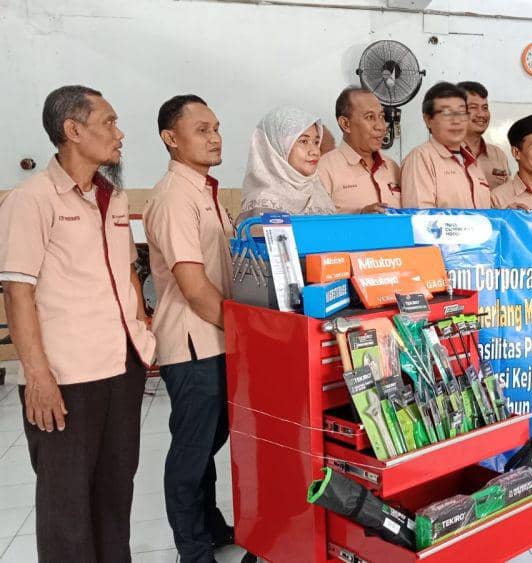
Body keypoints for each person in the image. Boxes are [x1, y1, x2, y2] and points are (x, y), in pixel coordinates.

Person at [0, 85, 156, 562]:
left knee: (114, 496)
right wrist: (38, 378)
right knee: (66, 506)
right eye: (108, 122)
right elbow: (18, 293)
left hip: (121, 368)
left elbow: (129, 273)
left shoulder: (113, 197)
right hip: (67, 379)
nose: (120, 133)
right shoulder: (31, 201)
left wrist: (143, 333)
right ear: (73, 131)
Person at [144, 95, 236, 562]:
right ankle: (193, 551)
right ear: (170, 138)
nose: (215, 136)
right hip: (193, 343)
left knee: (209, 442)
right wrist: (245, 335)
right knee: (191, 452)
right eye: (201, 129)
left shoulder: (203, 190)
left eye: (216, 127)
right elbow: (194, 286)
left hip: (216, 338)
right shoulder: (174, 195)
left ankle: (213, 528)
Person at [400, 82, 491, 209]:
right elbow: (421, 219)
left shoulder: (471, 162)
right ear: (428, 120)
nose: (456, 121)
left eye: (461, 112)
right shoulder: (421, 158)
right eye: (447, 113)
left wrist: (508, 212)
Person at [239, 106, 336, 220]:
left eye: (316, 142)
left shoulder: (318, 193)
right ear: (277, 147)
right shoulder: (265, 202)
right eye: (304, 141)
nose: (315, 151)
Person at [317, 86, 401, 214]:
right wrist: (359, 219)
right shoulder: (324, 169)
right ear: (346, 124)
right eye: (369, 117)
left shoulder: (393, 167)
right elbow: (316, 228)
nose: (381, 126)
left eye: (381, 116)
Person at [457, 81, 510, 189]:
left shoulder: (498, 155)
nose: (481, 114)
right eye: (473, 107)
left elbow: (507, 197)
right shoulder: (442, 153)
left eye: (485, 108)